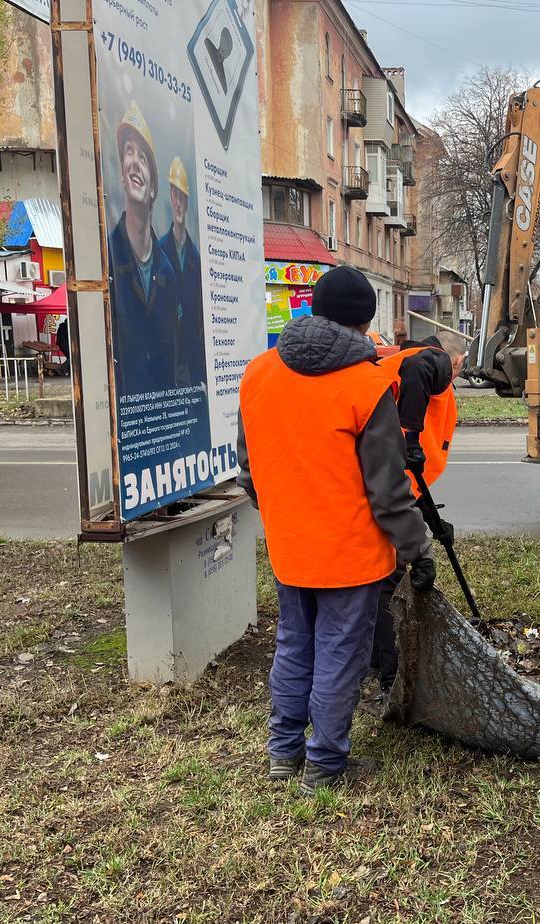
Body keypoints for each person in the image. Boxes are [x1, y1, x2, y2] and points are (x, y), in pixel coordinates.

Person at [237, 265, 435, 793]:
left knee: (294, 644)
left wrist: (285, 513)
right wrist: (416, 547)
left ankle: (284, 753)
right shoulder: (369, 387)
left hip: (289, 546)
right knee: (339, 655)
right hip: (351, 555)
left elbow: (248, 468)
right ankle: (324, 764)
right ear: (364, 323)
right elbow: (388, 491)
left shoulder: (258, 373)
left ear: (314, 311)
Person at [368, 335, 464, 698]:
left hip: (380, 481)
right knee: (387, 578)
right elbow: (418, 368)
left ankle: (376, 664)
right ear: (459, 361)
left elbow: (411, 481)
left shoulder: (395, 368)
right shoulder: (436, 360)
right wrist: (411, 438)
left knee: (378, 578)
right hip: (386, 484)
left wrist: (432, 522)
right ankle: (391, 678)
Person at [106, 101, 206, 398]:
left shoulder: (167, 270)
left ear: (152, 188)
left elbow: (179, 347)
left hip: (167, 413)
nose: (135, 161)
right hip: (131, 419)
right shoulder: (108, 256)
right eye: (128, 152)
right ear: (122, 174)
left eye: (143, 156)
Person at [158, 157, 205, 385]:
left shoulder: (196, 257)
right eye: (174, 194)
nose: (177, 202)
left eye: (182, 196)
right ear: (170, 197)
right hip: (167, 358)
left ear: (187, 202)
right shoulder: (159, 251)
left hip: (193, 360)